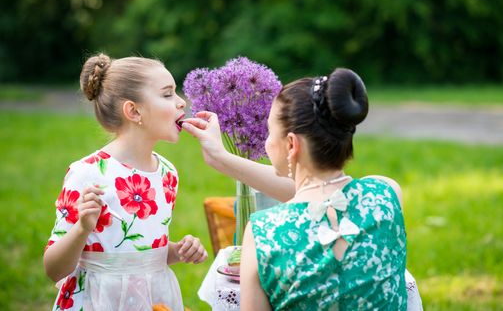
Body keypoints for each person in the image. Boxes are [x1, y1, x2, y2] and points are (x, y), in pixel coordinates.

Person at [183, 68, 419, 310]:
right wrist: (220, 157)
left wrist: (219, 157)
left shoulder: (264, 232)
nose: (267, 142)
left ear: (291, 144)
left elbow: (304, 193)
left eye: (269, 131)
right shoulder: (386, 193)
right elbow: (313, 191)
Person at [43, 54, 208, 311]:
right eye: (167, 95)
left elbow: (139, 254)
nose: (181, 103)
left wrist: (178, 251)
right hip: (98, 301)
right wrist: (82, 228)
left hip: (152, 299)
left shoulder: (167, 173)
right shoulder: (87, 174)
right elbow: (53, 269)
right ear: (133, 111)